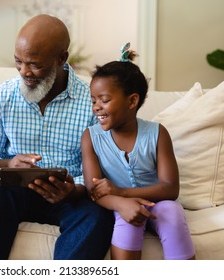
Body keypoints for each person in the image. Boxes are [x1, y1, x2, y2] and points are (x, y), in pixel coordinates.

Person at [0, 14, 114, 260]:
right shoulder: (2, 98)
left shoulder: (92, 103)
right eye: (18, 61)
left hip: (71, 197)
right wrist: (9, 164)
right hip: (13, 193)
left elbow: (102, 170)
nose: (25, 72)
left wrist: (74, 190)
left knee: (97, 216)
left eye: (35, 64)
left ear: (61, 59)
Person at [81, 43, 196, 260]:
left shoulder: (157, 133)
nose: (96, 106)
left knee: (172, 211)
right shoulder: (91, 137)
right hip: (119, 206)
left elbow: (170, 189)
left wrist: (122, 192)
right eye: (93, 100)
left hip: (159, 203)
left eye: (104, 100)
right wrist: (122, 202)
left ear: (132, 101)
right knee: (127, 219)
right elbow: (93, 190)